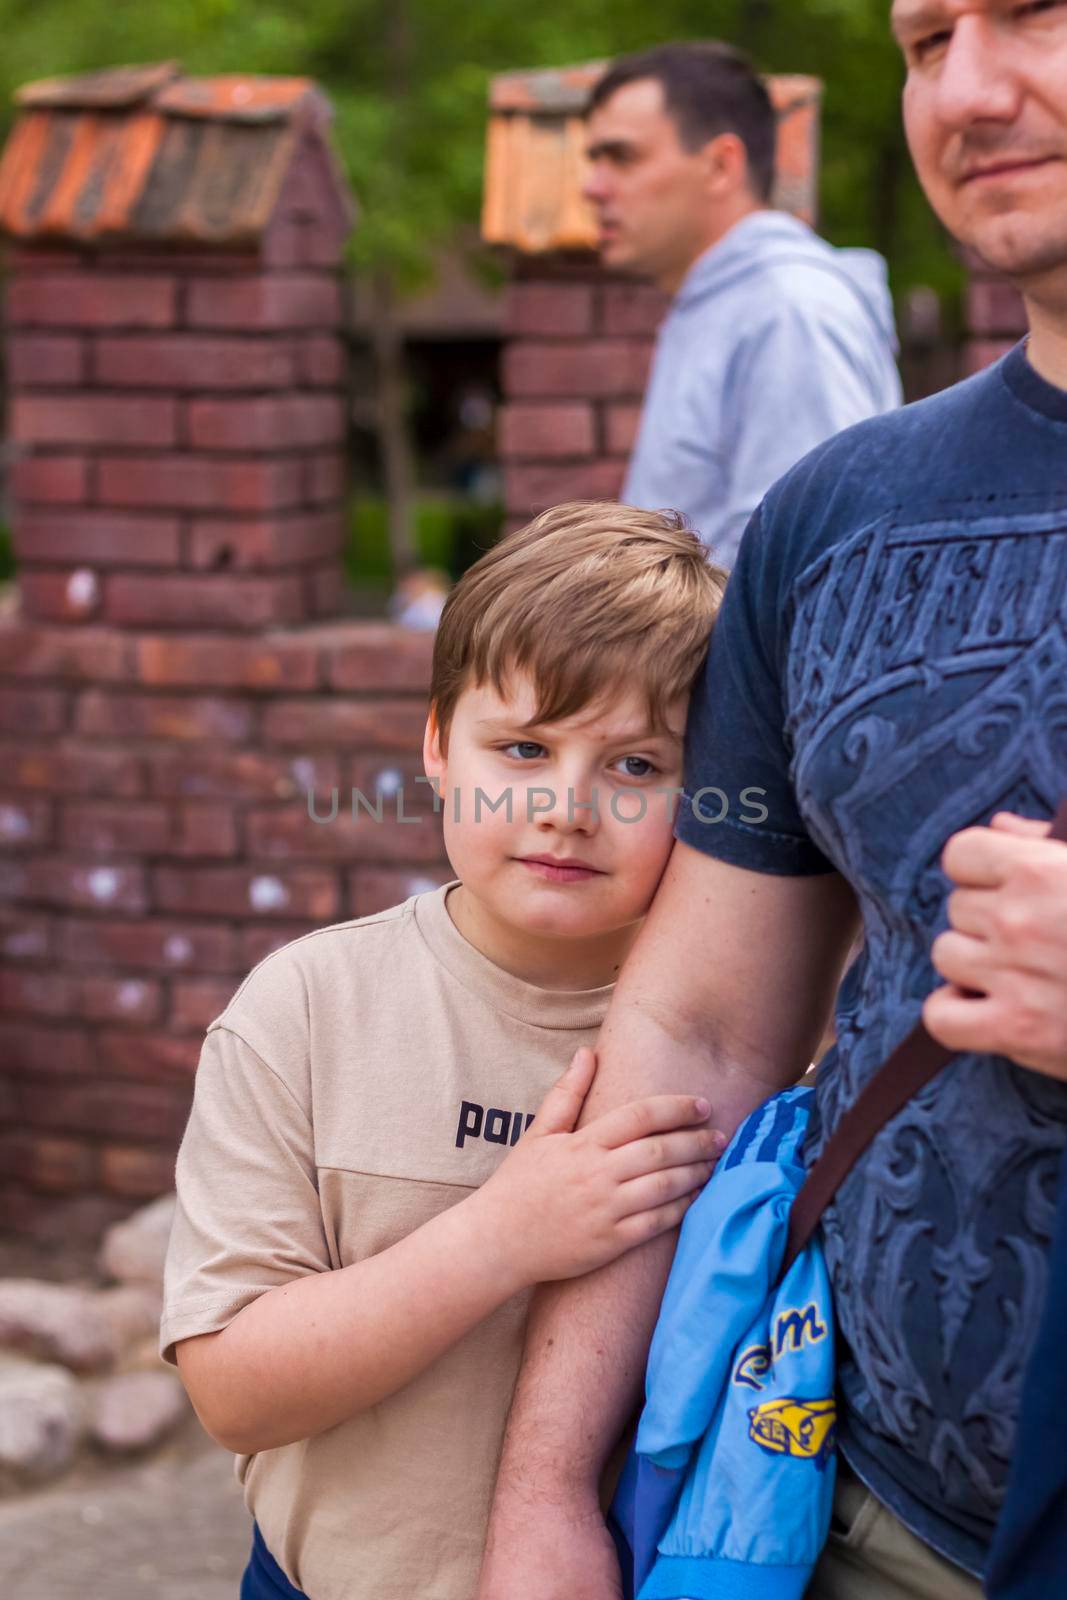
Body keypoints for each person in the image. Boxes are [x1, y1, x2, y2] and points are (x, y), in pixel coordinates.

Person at [478, 8, 1067, 1599]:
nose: (965, 89)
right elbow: (700, 1034)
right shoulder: (835, 516)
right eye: (925, 35)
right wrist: (545, 1494)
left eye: (1030, 12)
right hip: (864, 1522)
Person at [159, 501, 728, 1600]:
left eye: (636, 766)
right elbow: (233, 1389)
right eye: (521, 748)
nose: (566, 807)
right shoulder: (305, 1010)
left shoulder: (753, 1050)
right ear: (435, 744)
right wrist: (501, 1237)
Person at [583, 41, 902, 567]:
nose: (591, 188)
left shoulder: (788, 311)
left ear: (720, 165)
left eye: (621, 157)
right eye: (593, 160)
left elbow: (806, 568)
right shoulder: (727, 304)